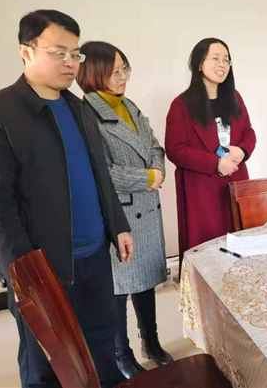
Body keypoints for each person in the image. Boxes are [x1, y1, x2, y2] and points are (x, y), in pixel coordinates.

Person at [0, 10, 133, 387]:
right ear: (26, 51)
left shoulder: (79, 108)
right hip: (42, 269)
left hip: (94, 258)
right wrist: (28, 275)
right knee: (48, 364)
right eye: (59, 53)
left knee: (101, 346)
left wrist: (118, 226)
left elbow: (99, 175)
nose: (70, 63)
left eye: (75, 54)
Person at [77, 41, 172, 378]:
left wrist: (158, 170)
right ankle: (122, 354)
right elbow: (101, 170)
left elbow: (154, 145)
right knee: (117, 289)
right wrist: (147, 178)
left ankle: (151, 342)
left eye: (124, 69)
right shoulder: (87, 114)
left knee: (145, 281)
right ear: (93, 73)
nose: (122, 77)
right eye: (114, 71)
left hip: (146, 206)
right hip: (119, 214)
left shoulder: (128, 105)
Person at [165, 38, 256, 260]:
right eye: (215, 58)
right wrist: (215, 163)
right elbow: (175, 149)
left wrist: (242, 151)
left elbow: (249, 133)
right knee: (206, 253)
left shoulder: (234, 98)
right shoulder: (181, 104)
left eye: (226, 60)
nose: (222, 64)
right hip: (201, 189)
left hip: (235, 183)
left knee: (239, 250)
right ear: (199, 63)